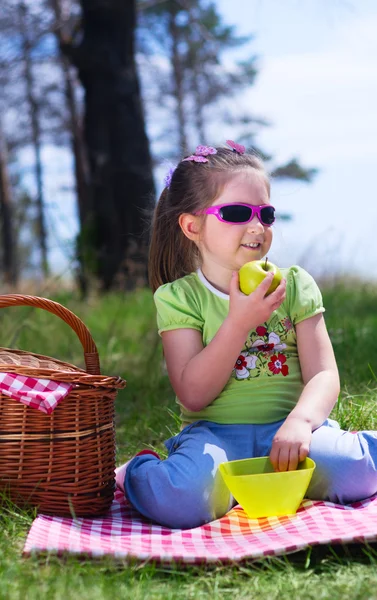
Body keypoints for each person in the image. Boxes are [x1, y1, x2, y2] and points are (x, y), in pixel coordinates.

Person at [116, 141, 377, 529]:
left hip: (291, 433)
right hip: (217, 438)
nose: (257, 226)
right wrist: (239, 321)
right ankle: (136, 470)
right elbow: (193, 393)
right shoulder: (180, 298)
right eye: (237, 213)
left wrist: (303, 422)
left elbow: (324, 374)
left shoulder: (294, 284)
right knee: (181, 500)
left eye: (265, 214)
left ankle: (304, 469)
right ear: (193, 227)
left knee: (358, 470)